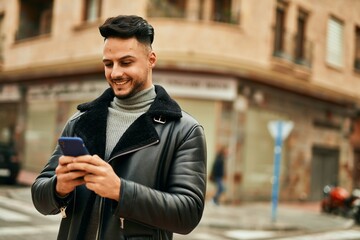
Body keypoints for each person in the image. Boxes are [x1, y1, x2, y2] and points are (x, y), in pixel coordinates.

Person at [31, 15, 207, 240]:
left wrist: (121, 191)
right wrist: (59, 187)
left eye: (126, 62)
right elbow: (39, 197)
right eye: (108, 64)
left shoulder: (184, 130)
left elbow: (188, 214)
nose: (115, 73)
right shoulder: (79, 122)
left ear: (151, 59)